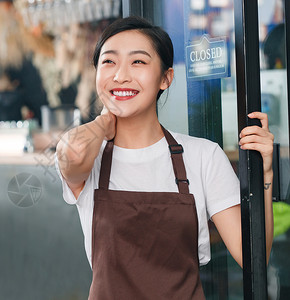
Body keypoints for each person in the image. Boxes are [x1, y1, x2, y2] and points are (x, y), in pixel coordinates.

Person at [55, 16, 274, 299]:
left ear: (165, 78)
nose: (121, 75)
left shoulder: (203, 156)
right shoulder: (91, 159)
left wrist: (265, 176)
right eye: (109, 62)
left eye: (138, 62)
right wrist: (103, 123)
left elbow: (254, 257)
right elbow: (71, 152)